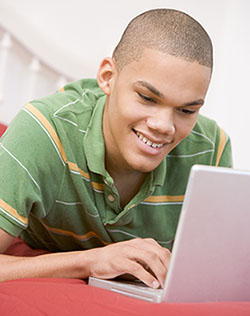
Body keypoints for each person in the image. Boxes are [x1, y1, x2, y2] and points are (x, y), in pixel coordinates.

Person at [0, 8, 232, 289]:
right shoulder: (43, 133)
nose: (164, 126)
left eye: (186, 110)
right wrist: (90, 261)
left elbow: (215, 275)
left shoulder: (211, 151)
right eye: (147, 98)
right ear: (108, 77)